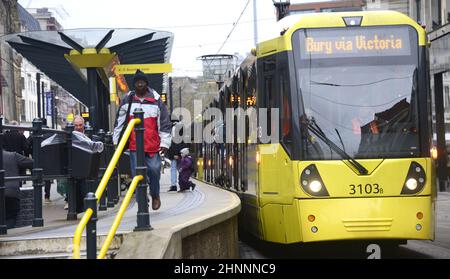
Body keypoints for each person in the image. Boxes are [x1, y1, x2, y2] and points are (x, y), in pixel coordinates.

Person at [113, 69, 172, 210]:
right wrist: (117, 142)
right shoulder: (127, 99)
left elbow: (165, 123)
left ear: (146, 84)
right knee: (137, 175)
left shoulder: (156, 100)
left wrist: (165, 142)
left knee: (154, 170)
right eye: (137, 82)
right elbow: (119, 122)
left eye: (142, 82)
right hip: (134, 146)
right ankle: (142, 199)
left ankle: (155, 195)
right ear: (134, 85)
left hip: (152, 145)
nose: (140, 84)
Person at [2, 150, 33, 228]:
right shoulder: (12, 156)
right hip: (11, 193)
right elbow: (32, 163)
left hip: (9, 193)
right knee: (10, 220)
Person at [166, 121, 188, 192]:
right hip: (181, 154)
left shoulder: (172, 129)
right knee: (181, 170)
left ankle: (174, 185)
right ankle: (183, 184)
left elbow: (173, 144)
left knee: (174, 169)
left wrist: (174, 154)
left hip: (176, 154)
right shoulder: (182, 129)